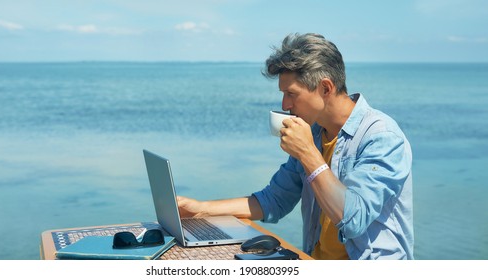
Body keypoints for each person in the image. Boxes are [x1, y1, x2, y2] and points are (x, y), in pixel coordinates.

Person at [177, 33, 413, 260]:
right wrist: (200, 209)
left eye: (291, 94)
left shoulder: (382, 137)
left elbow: (352, 219)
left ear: (325, 88)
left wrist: (307, 153)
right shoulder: (314, 133)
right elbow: (274, 200)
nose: (285, 104)